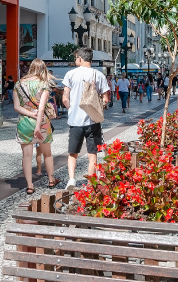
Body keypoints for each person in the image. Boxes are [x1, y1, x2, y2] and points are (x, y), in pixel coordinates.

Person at [62, 47, 110, 190]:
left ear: (80, 59)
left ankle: (71, 180)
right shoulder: (98, 74)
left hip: (75, 121)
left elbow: (65, 98)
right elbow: (106, 99)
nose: (75, 60)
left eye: (76, 58)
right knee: (92, 153)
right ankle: (90, 183)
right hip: (93, 121)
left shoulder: (70, 74)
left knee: (73, 153)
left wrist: (71, 108)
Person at [13, 59, 59, 194]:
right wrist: (38, 126)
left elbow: (16, 107)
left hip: (25, 122)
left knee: (26, 156)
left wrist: (29, 114)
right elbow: (41, 107)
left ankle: (29, 185)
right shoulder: (44, 84)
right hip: (42, 122)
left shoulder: (19, 84)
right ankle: (51, 180)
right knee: (47, 153)